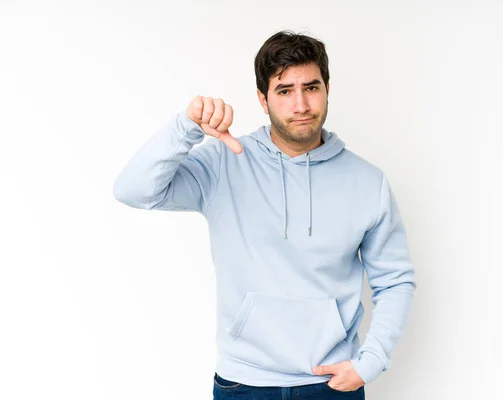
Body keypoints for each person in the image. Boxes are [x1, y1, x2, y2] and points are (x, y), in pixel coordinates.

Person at [113, 30, 417, 399]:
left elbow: (395, 280)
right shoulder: (225, 162)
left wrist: (370, 361)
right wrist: (186, 126)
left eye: (311, 87)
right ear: (263, 98)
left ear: (327, 89)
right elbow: (134, 191)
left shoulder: (368, 181)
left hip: (331, 384)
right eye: (285, 91)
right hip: (244, 384)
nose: (301, 104)